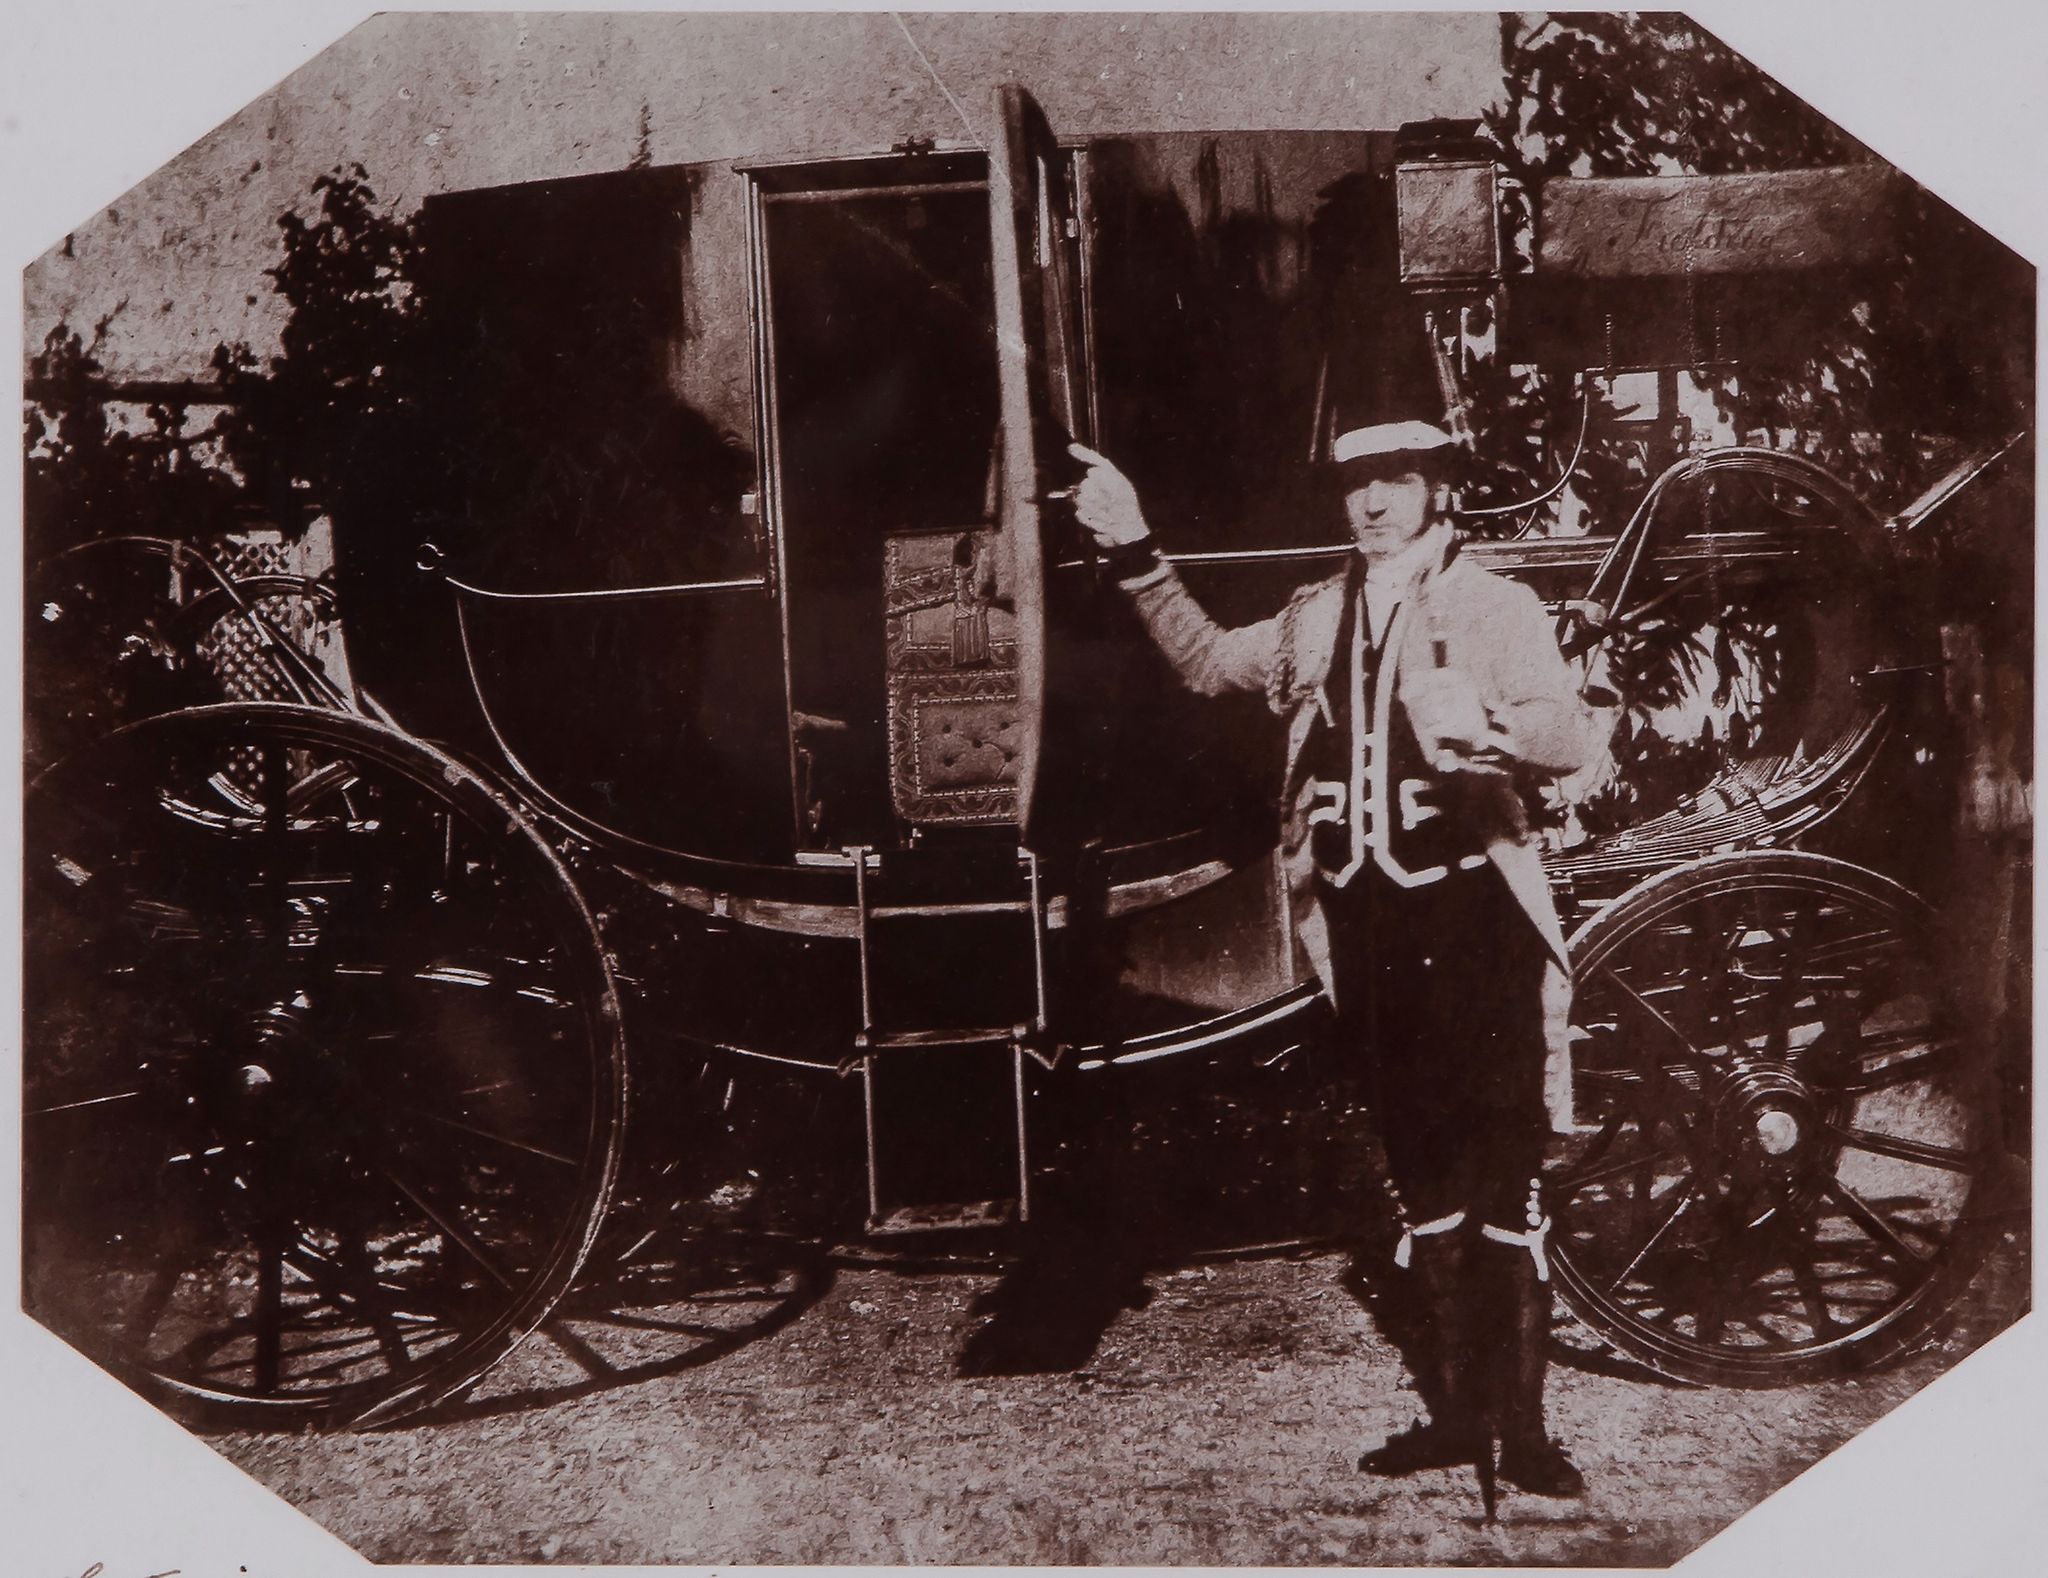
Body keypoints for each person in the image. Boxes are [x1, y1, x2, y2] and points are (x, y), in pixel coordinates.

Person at [1065, 421, 1607, 1506]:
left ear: (1435, 492)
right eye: (1354, 488)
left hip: (1474, 935)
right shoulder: (1317, 617)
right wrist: (1133, 546)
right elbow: (1212, 663)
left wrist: (1495, 727)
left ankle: (1528, 1434)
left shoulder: (1494, 608)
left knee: (1501, 1180)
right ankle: (1458, 1419)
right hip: (1368, 939)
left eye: (1392, 484)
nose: (1370, 506)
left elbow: (1569, 734)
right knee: (1422, 1181)